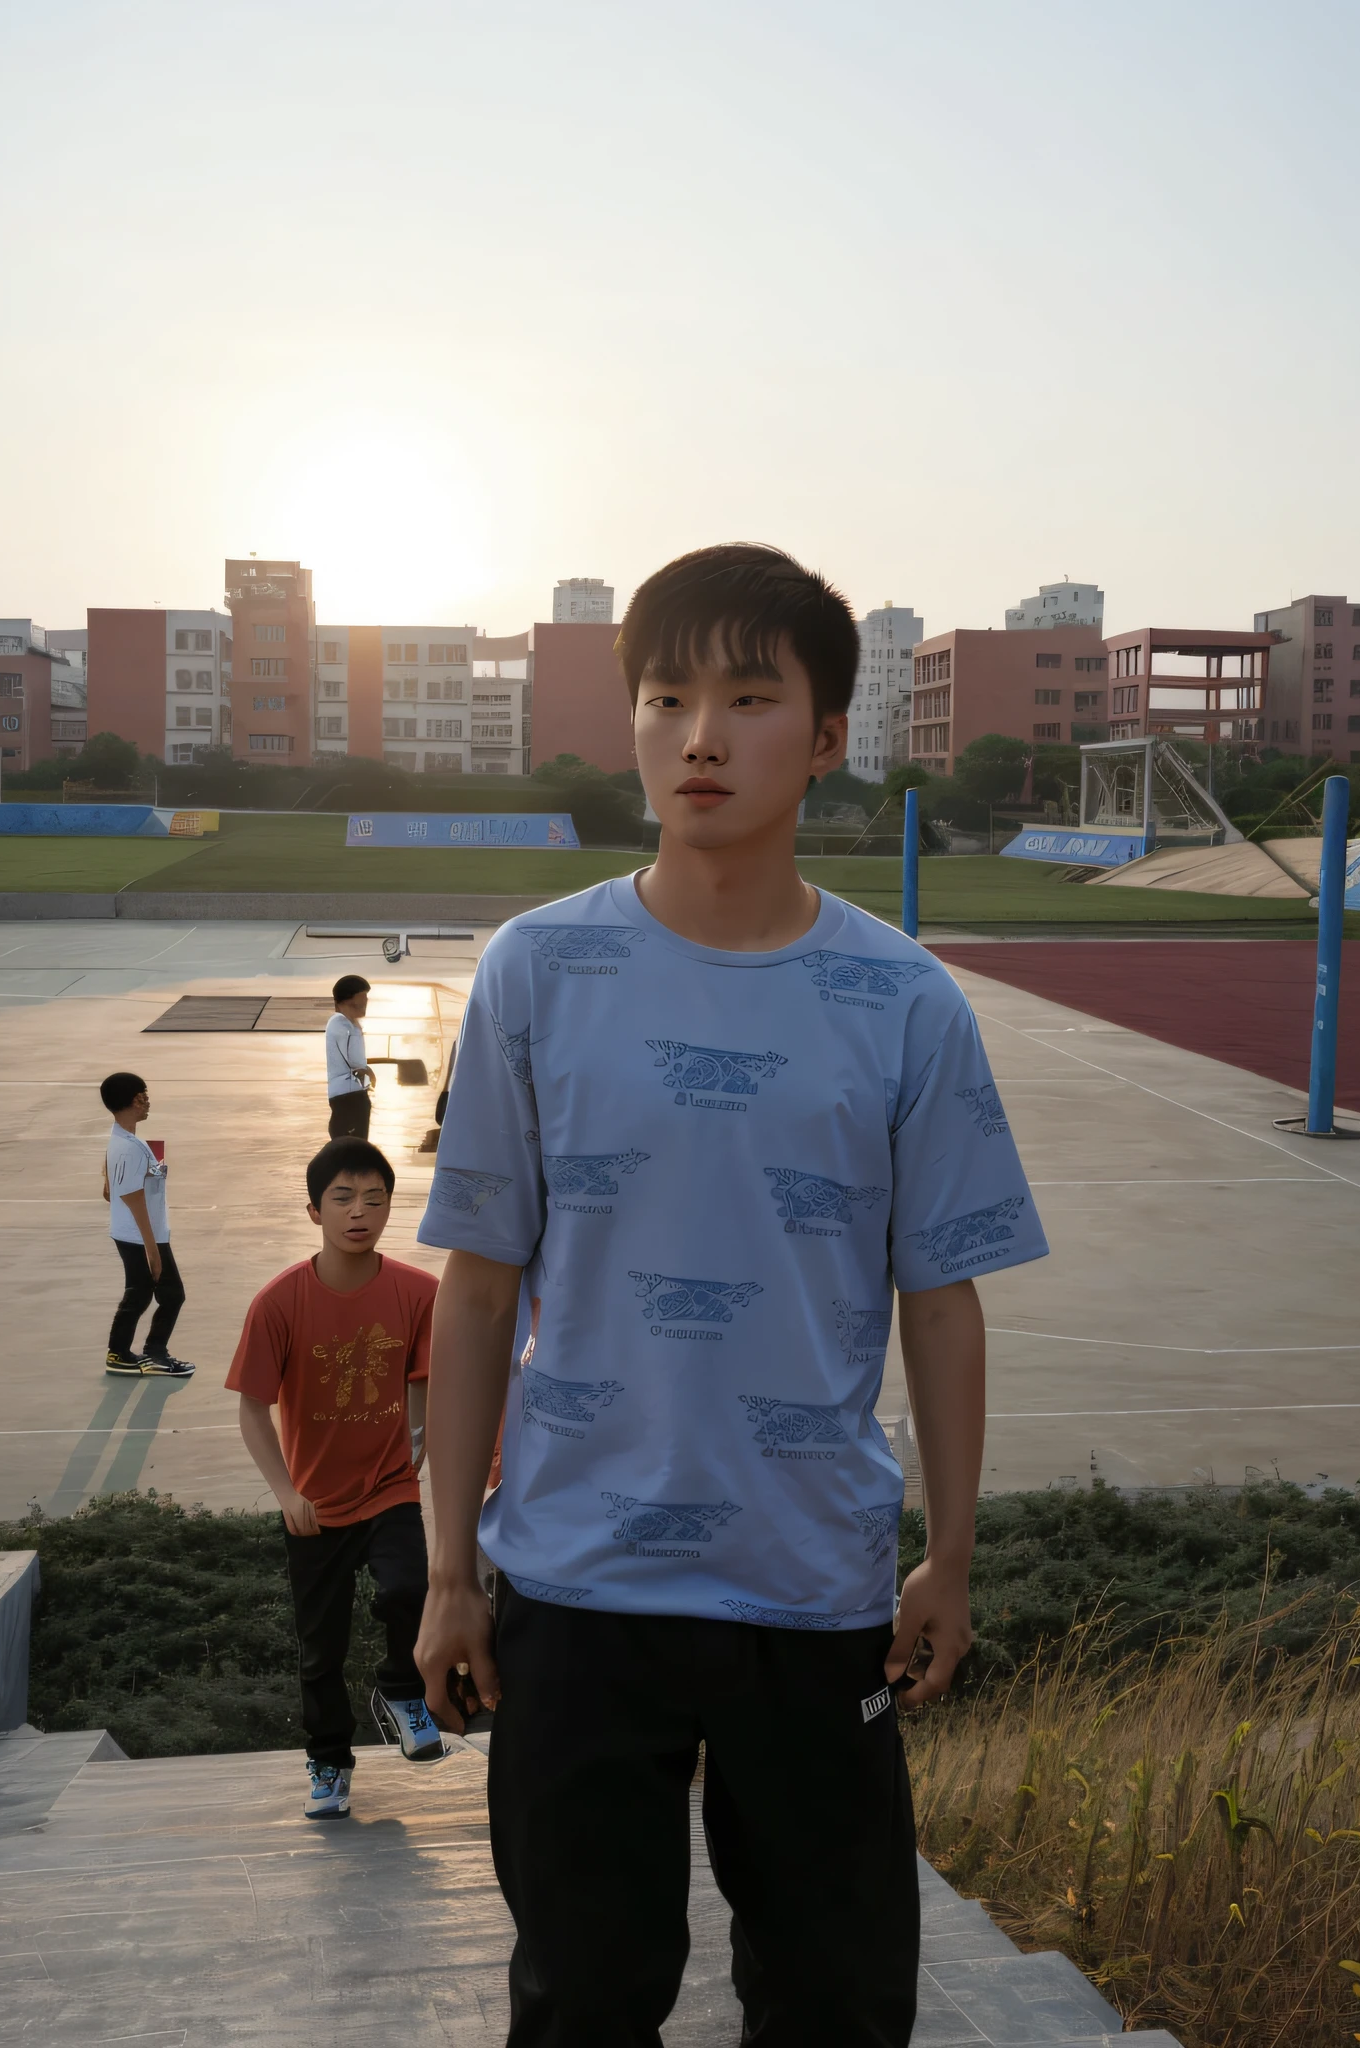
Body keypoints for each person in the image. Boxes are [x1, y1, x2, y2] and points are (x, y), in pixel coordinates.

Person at [414, 543, 1050, 2046]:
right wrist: (451, 1569)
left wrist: (947, 1557)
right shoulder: (536, 971)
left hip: (812, 1588)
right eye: (667, 695)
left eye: (750, 698)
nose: (701, 735)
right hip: (574, 1588)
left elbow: (942, 1304)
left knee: (837, 2002)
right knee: (581, 2000)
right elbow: (476, 1288)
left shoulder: (905, 1001)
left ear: (827, 737)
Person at [229, 1136, 444, 1821]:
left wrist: (417, 1442)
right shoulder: (279, 1302)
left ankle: (402, 1692)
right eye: (343, 1198)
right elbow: (252, 1408)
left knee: (411, 1586)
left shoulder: (418, 1292)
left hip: (388, 1487)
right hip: (313, 1506)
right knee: (320, 1649)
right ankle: (328, 1764)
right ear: (315, 1209)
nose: (361, 1212)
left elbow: (425, 1375)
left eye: (375, 1199)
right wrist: (286, 1493)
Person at [100, 1071, 193, 1378]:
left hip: (137, 1233)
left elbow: (108, 1192)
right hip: (142, 1236)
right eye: (143, 1096)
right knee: (165, 1294)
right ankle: (148, 1354)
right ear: (131, 1102)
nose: (147, 1101)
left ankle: (125, 1353)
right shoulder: (130, 1147)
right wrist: (152, 1248)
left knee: (142, 1293)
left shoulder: (123, 1140)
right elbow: (130, 1196)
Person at [326, 974, 376, 1139]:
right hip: (349, 1096)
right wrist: (367, 1074)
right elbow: (354, 1061)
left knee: (353, 1145)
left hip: (349, 1094)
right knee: (354, 1147)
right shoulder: (343, 1024)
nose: (365, 1004)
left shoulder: (346, 1023)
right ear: (348, 1001)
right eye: (362, 999)